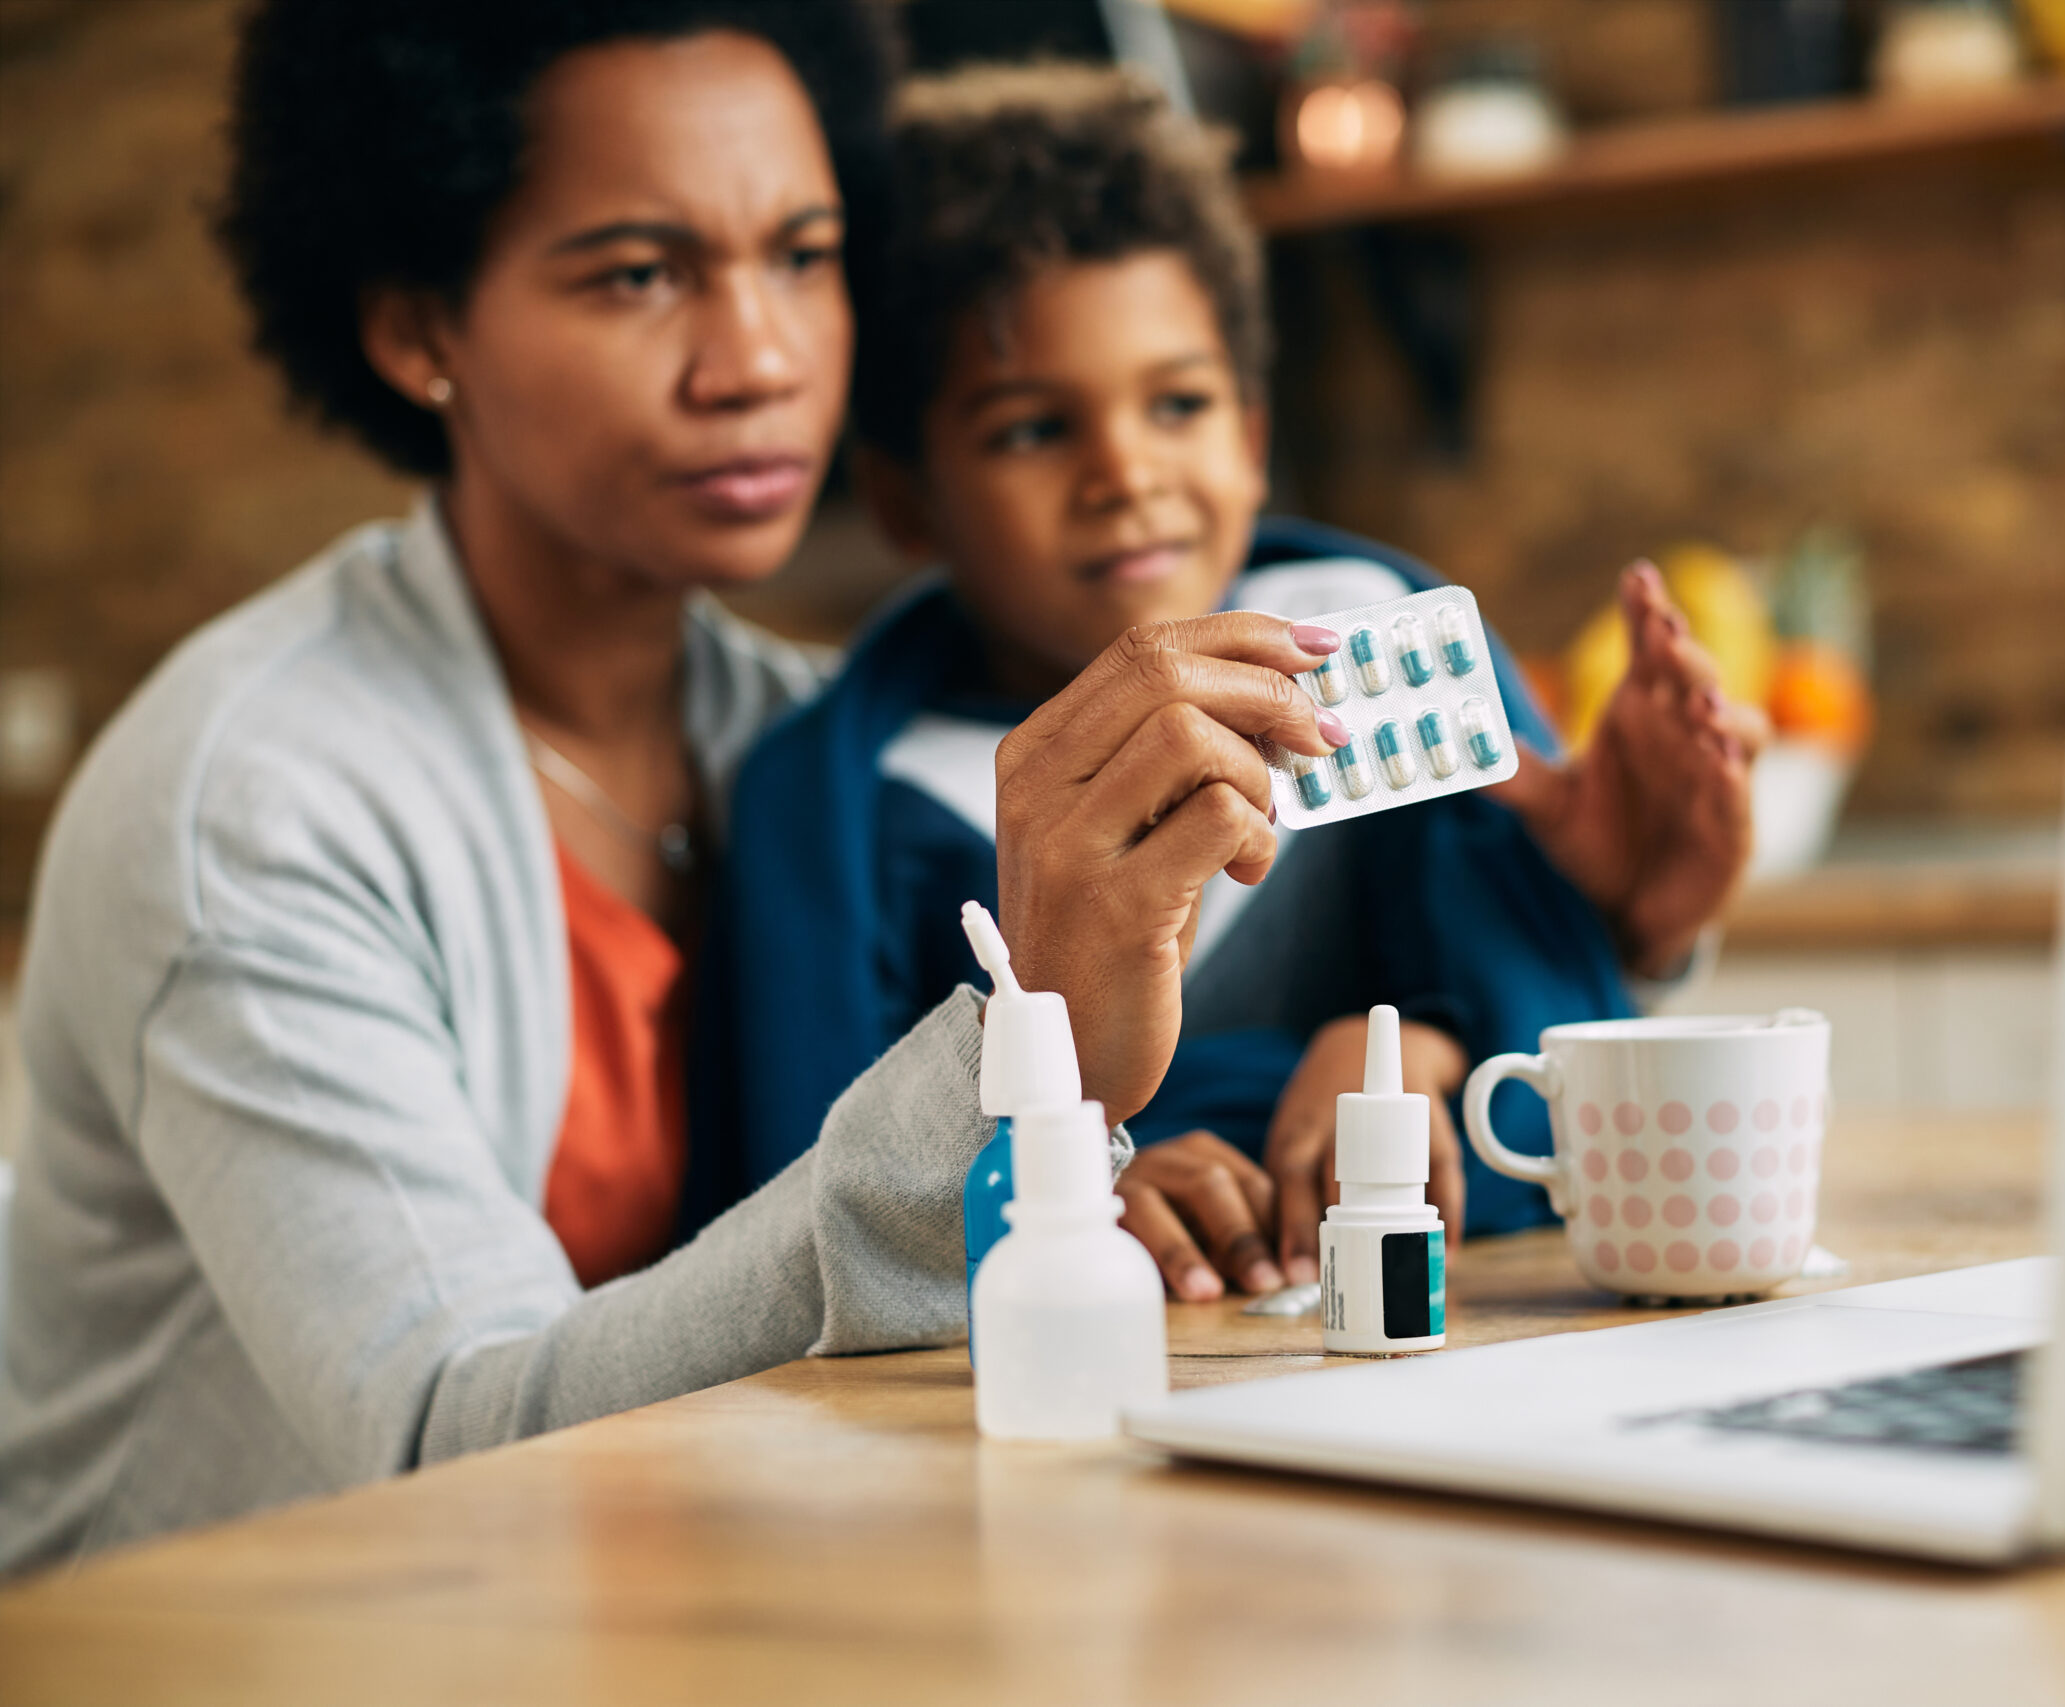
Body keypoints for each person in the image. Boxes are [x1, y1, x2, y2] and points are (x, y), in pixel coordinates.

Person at [0, 3, 1338, 1572]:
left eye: (803, 252)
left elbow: (963, 1163)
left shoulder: (801, 742)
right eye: (640, 274)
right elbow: (458, 1440)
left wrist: (1082, 1182)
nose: (760, 358)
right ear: (417, 325)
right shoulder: (251, 807)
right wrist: (1014, 1054)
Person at [698, 66, 1763, 1307]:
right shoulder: (828, 812)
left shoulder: (1379, 650)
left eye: (1180, 403)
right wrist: (1073, 1185)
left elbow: (1573, 1105)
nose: (1125, 472)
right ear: (902, 498)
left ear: (1252, 438)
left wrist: (1561, 969)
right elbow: (807, 1228)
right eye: (1032, 430)